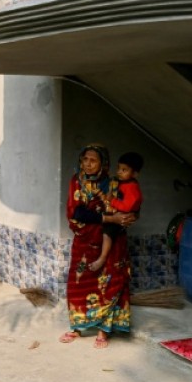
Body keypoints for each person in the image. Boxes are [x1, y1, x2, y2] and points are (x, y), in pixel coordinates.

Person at [59, 144, 136, 349]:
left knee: (108, 284)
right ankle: (77, 327)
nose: (88, 164)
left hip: (110, 241)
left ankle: (103, 330)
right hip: (84, 241)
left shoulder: (113, 184)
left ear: (103, 163)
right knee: (78, 282)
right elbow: (76, 213)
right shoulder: (76, 181)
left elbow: (128, 207)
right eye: (85, 159)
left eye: (93, 160)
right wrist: (109, 218)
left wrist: (127, 218)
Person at [91, 152, 144, 272]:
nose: (119, 172)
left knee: (108, 233)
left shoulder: (132, 187)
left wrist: (112, 201)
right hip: (117, 213)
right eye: (119, 168)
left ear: (135, 174)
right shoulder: (123, 182)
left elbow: (127, 207)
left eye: (124, 170)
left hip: (123, 216)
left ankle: (102, 258)